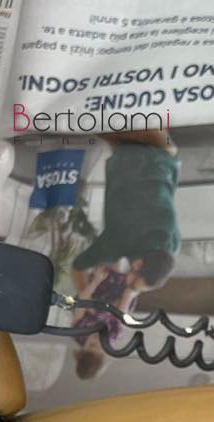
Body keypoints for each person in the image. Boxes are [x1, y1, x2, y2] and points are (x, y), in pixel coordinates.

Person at [68, 130, 181, 378]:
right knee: (115, 130)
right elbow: (78, 267)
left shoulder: (172, 247)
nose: (95, 344)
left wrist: (95, 286)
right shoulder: (119, 242)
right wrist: (99, 288)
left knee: (145, 136)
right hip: (136, 160)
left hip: (167, 163)